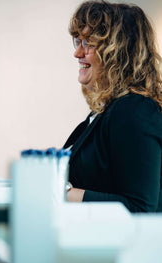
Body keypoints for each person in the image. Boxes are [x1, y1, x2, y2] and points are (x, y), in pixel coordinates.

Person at [64, 1, 162, 212]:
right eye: (78, 41)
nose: (77, 53)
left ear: (116, 51)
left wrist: (63, 193)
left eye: (88, 43)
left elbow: (139, 207)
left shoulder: (135, 110)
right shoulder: (107, 111)